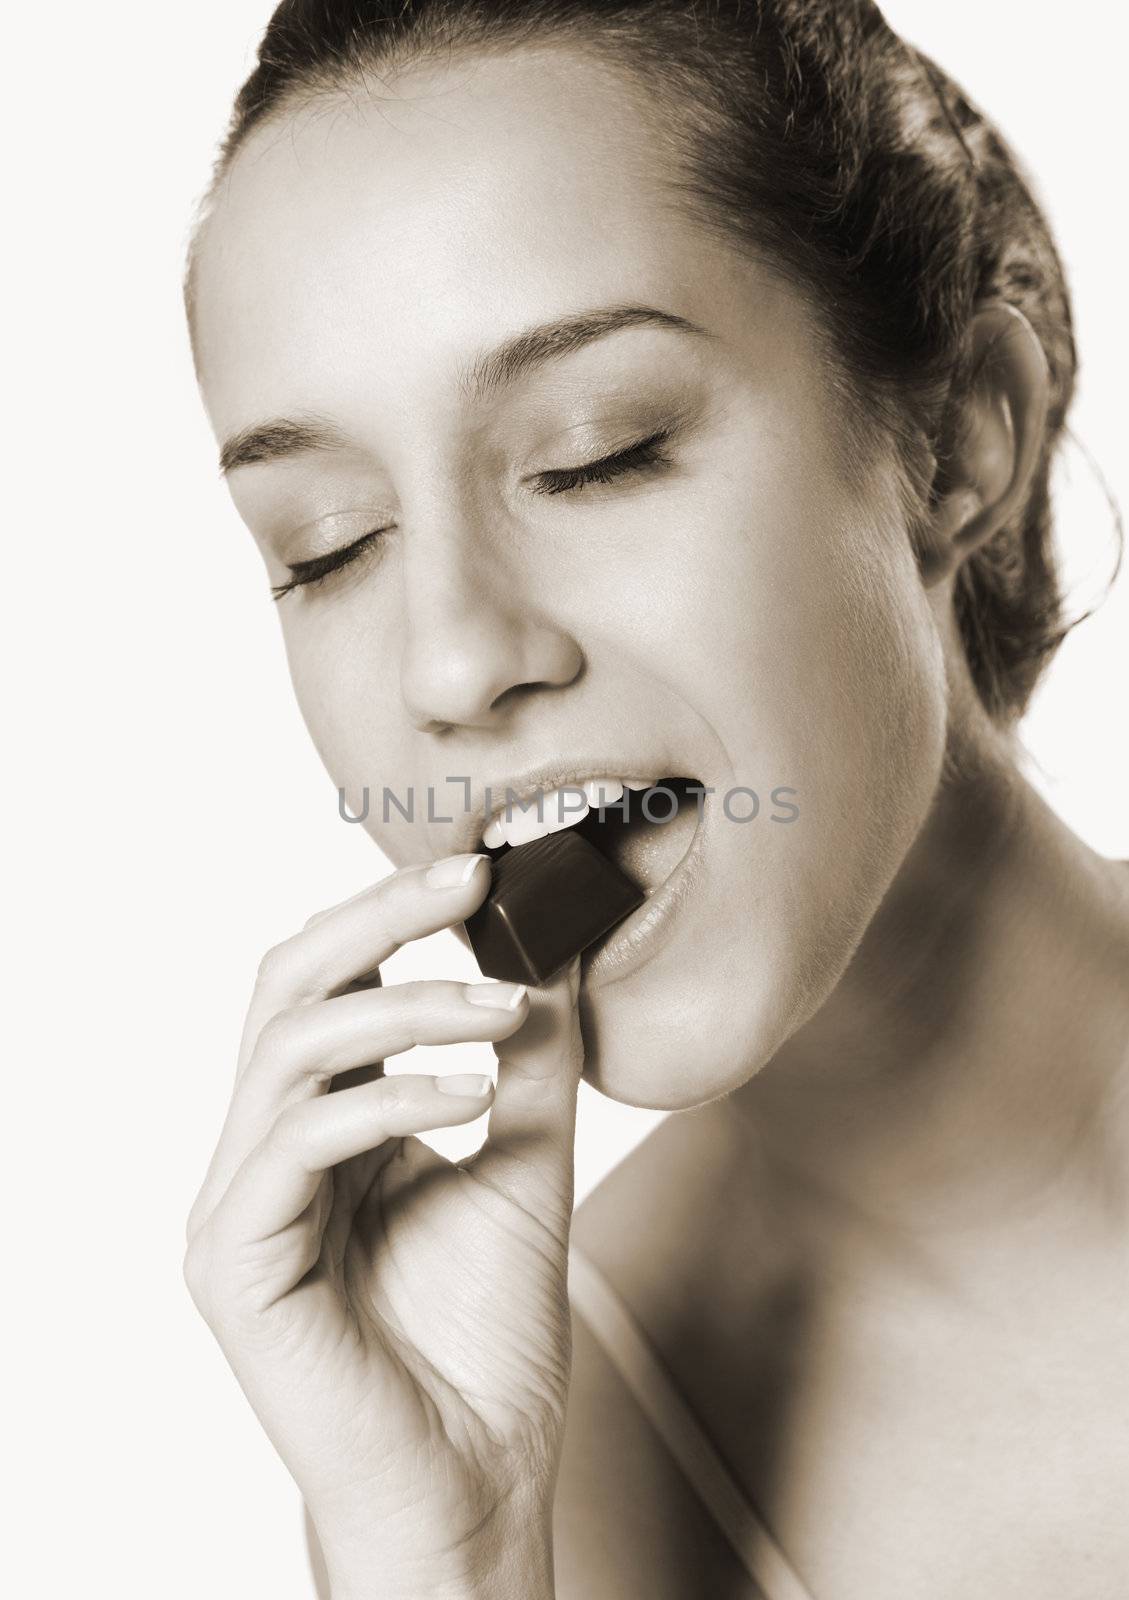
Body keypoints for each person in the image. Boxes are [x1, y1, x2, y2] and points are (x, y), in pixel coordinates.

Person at [182, 2, 1129, 1595]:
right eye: (329, 545)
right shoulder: (527, 1446)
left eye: (594, 454)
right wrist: (441, 1561)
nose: (452, 660)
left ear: (960, 438)